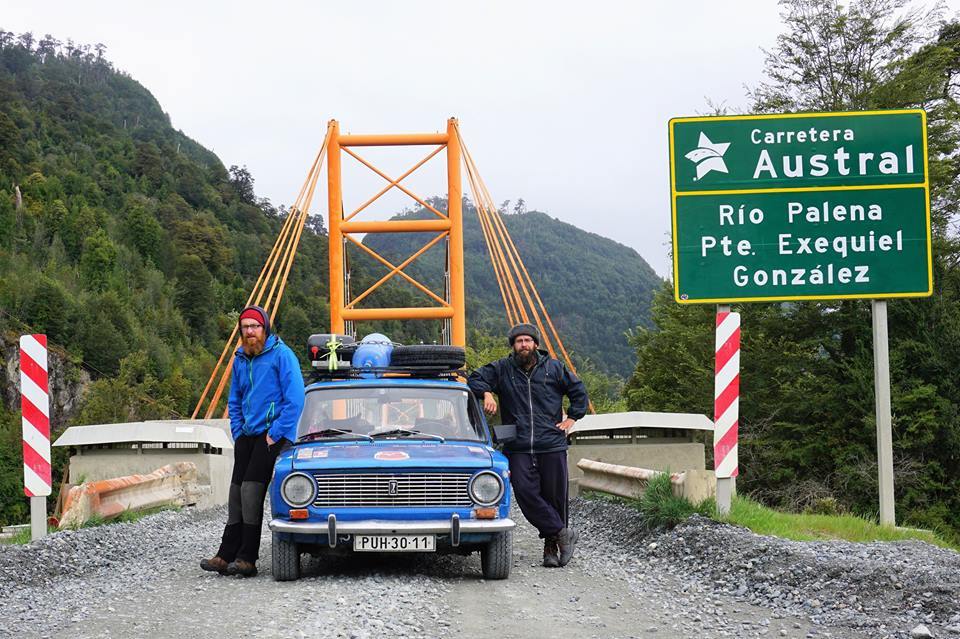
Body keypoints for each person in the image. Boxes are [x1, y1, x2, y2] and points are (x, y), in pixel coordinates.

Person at [467, 323, 588, 568]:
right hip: (518, 444)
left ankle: (551, 548)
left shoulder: (554, 368)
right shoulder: (502, 369)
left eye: (528, 341)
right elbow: (474, 378)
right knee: (524, 491)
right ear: (513, 346)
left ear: (536, 344)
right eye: (519, 341)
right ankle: (563, 533)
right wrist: (487, 393)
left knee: (555, 497)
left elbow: (578, 391)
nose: (524, 345)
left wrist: (572, 418)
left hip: (551, 442)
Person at [201, 305, 305, 577]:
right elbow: (234, 400)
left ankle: (248, 558)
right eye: (245, 327)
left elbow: (295, 399)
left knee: (250, 491)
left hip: (272, 435)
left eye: (255, 327)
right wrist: (237, 431)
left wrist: (275, 432)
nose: (250, 332)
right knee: (235, 493)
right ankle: (226, 555)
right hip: (246, 434)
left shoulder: (282, 355)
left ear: (265, 328)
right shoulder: (240, 358)